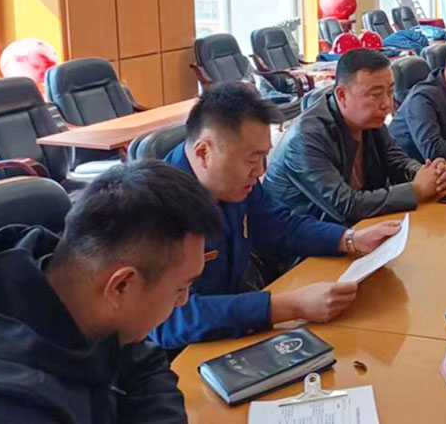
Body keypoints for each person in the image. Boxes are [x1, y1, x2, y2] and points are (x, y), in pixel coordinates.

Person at [154, 84, 404, 351]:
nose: (260, 171)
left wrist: (350, 238)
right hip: (178, 355)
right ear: (203, 153)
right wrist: (289, 306)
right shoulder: (155, 209)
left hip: (228, 332)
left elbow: (280, 226)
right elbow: (170, 319)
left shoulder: (234, 184)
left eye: (264, 156)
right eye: (252, 160)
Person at [0, 160, 220, 423]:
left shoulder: (68, 278)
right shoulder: (11, 406)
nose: (184, 300)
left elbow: (144, 363)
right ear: (121, 285)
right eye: (180, 288)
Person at [264, 49, 446, 225]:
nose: (387, 104)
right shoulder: (306, 138)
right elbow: (346, 206)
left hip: (357, 229)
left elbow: (396, 160)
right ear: (342, 95)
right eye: (375, 94)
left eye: (390, 91)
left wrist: (425, 173)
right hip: (305, 240)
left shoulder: (368, 120)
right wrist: (417, 190)